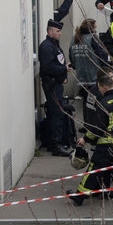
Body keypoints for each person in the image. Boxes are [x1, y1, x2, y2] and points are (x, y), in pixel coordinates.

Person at [68, 71, 113, 206]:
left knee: (94, 168)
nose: (100, 91)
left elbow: (98, 127)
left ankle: (79, 196)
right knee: (110, 168)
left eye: (100, 88)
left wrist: (85, 139)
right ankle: (106, 191)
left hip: (108, 142)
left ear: (103, 87)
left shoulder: (104, 103)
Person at [39, 20, 73, 156]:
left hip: (57, 84)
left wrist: (63, 73)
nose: (60, 34)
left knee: (58, 113)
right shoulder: (47, 47)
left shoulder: (54, 45)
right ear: (50, 31)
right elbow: (48, 67)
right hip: (51, 85)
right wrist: (63, 69)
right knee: (56, 114)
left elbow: (58, 62)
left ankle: (57, 142)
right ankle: (56, 145)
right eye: (58, 31)